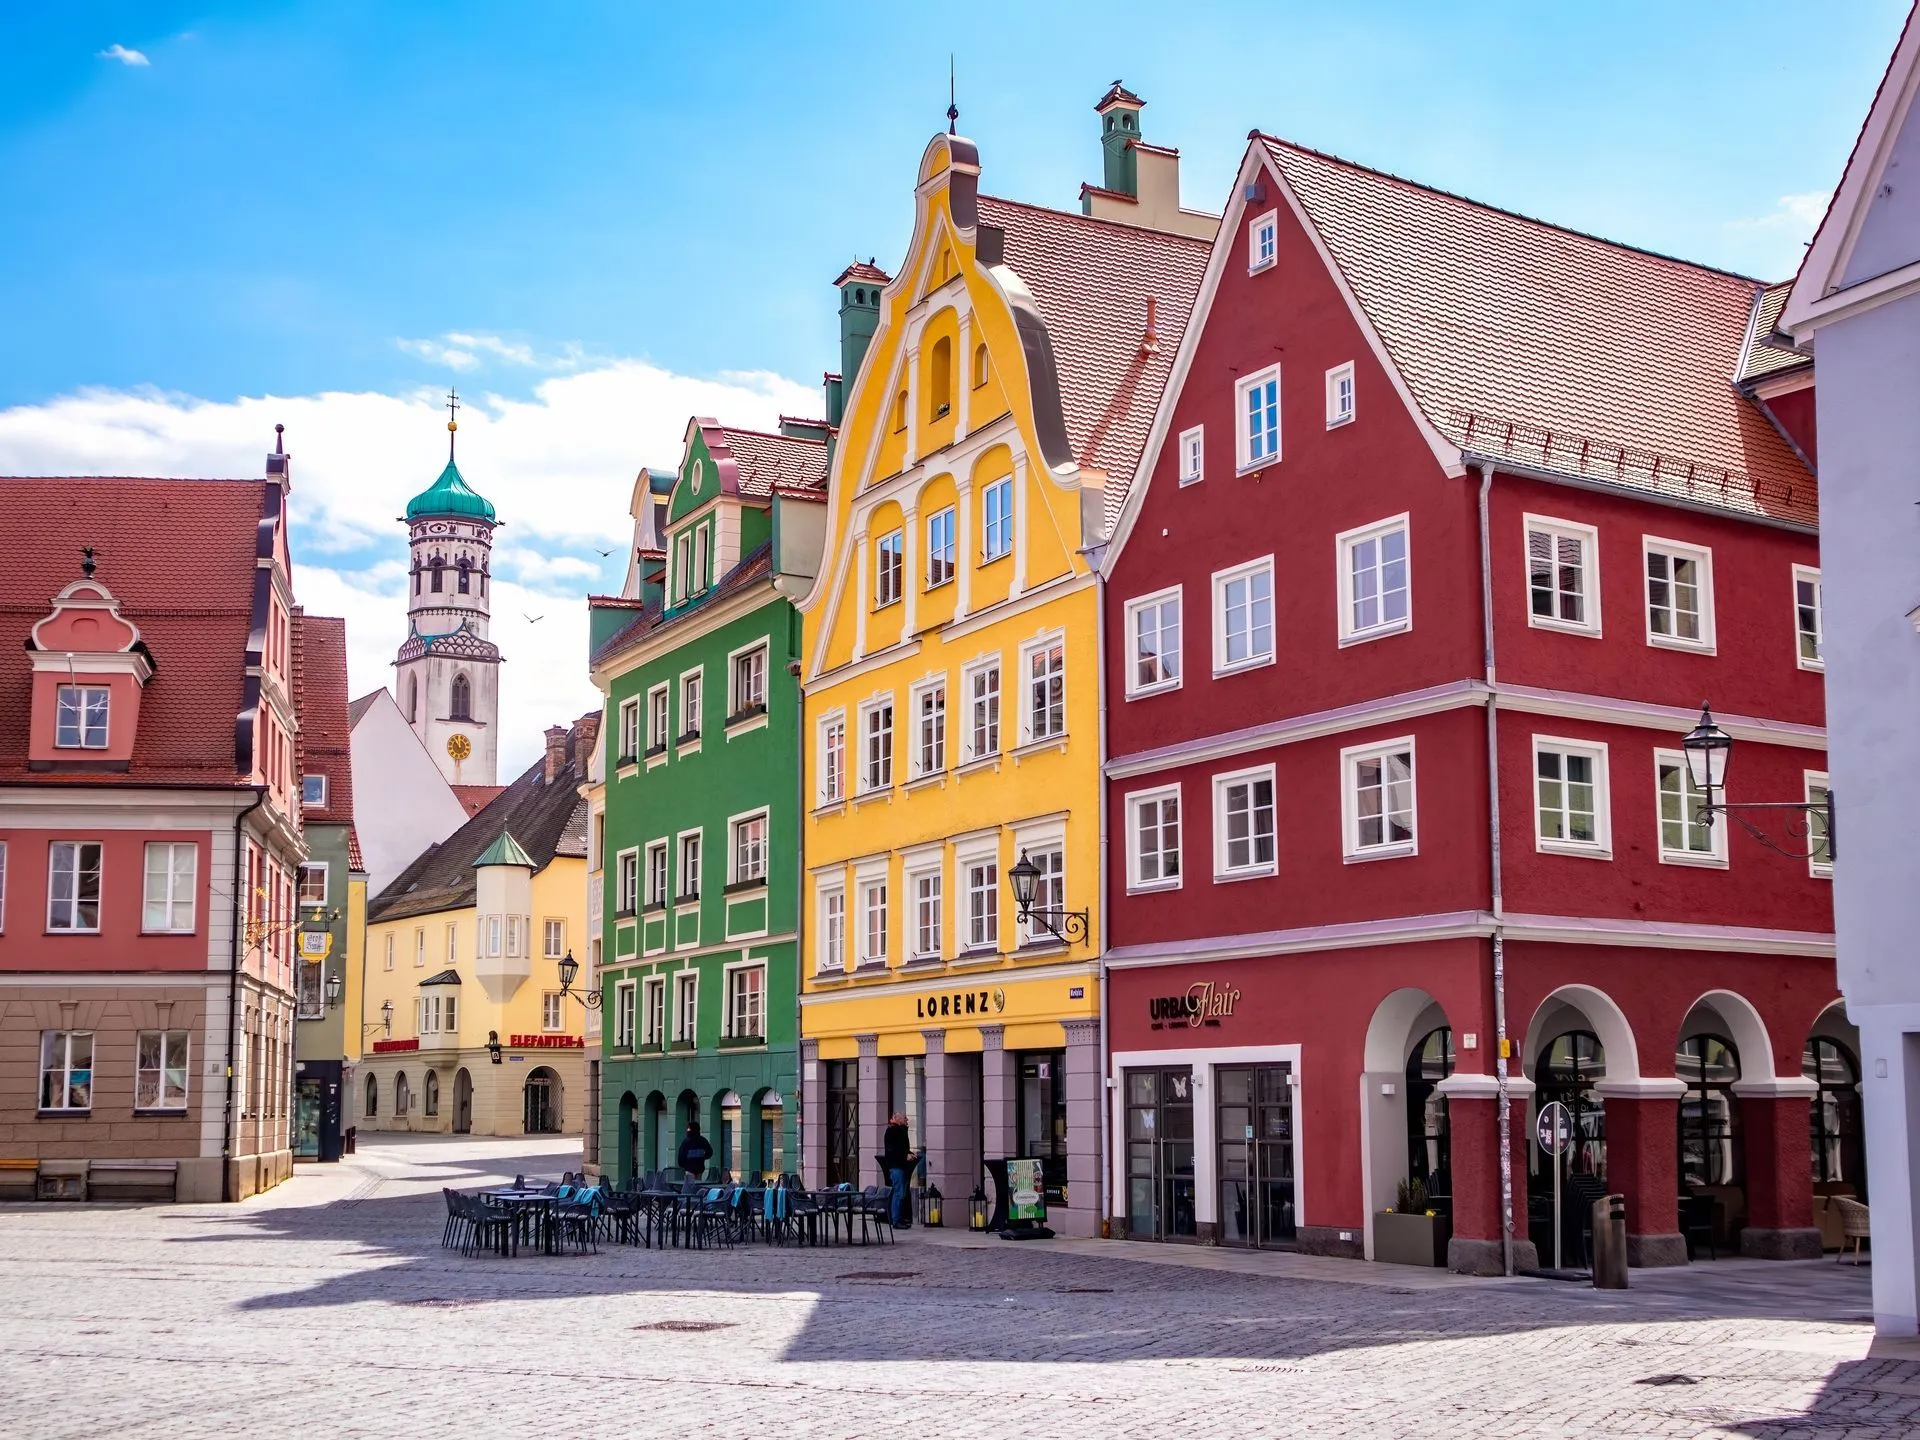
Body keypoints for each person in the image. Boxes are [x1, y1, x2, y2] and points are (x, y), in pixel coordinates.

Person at [883, 1111, 918, 1229]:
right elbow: (893, 1150)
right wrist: (905, 1155)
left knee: (901, 1192)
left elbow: (902, 1148)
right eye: (904, 1118)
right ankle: (896, 1220)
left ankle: (900, 1218)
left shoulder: (901, 1130)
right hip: (896, 1166)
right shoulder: (892, 1130)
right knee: (899, 1192)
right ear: (897, 1119)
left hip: (900, 1166)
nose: (907, 1120)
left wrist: (909, 1153)